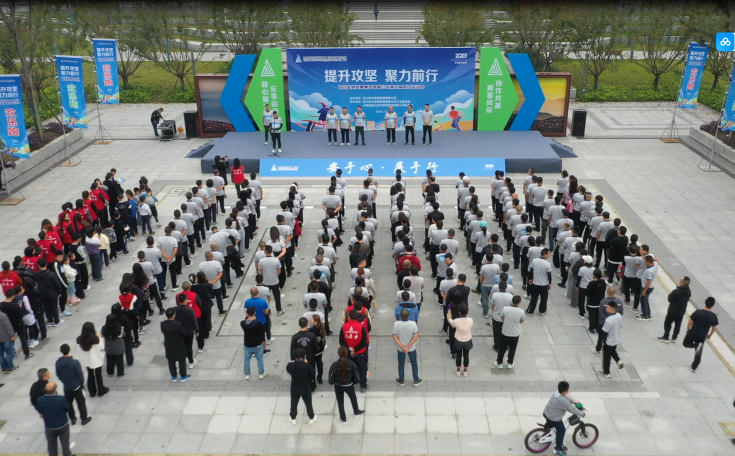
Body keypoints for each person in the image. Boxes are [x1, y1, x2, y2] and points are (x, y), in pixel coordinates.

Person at [542, 381, 585, 456]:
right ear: (565, 391)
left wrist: (573, 401)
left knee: (549, 424)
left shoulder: (557, 393)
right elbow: (571, 409)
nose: (569, 390)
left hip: (547, 413)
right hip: (554, 418)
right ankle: (558, 449)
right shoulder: (562, 401)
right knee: (561, 431)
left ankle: (546, 433)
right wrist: (582, 413)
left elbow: (565, 398)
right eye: (568, 389)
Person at [55, 344, 91, 425]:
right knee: (81, 403)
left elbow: (58, 374)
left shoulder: (58, 363)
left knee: (69, 403)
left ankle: (73, 419)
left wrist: (64, 381)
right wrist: (81, 383)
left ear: (60, 351)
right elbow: (80, 375)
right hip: (76, 386)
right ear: (70, 350)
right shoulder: (75, 362)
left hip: (67, 387)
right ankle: (84, 418)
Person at [37, 382, 76, 456]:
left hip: (49, 426)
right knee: (65, 443)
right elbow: (67, 409)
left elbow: (40, 410)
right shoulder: (61, 399)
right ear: (55, 390)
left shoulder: (40, 400)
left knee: (52, 446)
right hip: (62, 425)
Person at [328, 346, 365, 423]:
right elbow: (357, 376)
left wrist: (333, 382)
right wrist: (354, 382)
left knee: (340, 402)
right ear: (347, 353)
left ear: (338, 354)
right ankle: (356, 412)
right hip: (349, 385)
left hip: (338, 386)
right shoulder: (351, 364)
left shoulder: (334, 365)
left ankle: (343, 418)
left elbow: (331, 377)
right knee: (353, 399)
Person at [684, 297, 718, 373]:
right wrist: (710, 335)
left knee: (685, 343)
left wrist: (688, 328)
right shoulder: (713, 316)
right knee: (698, 353)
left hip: (692, 333)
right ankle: (694, 367)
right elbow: (714, 327)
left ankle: (695, 345)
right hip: (702, 336)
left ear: (705, 302)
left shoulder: (698, 312)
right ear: (713, 305)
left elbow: (690, 321)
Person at [74, 322, 108, 397]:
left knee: (90, 374)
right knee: (98, 375)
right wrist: (99, 337)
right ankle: (101, 390)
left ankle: (92, 392)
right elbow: (102, 347)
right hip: (96, 359)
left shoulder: (79, 339)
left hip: (87, 360)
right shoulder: (95, 339)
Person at [339, 309, 369, 392]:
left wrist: (349, 351)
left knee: (348, 369)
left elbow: (341, 341)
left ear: (349, 317)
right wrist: (355, 350)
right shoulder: (361, 327)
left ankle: (349, 384)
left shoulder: (344, 327)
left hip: (348, 353)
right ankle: (363, 386)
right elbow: (364, 342)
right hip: (360, 353)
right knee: (362, 369)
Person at [286, 348, 317, 425]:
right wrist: (307, 363)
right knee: (308, 403)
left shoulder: (290, 365)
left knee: (294, 403)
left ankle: (293, 418)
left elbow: (288, 370)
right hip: (305, 387)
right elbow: (312, 373)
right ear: (302, 357)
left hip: (295, 387)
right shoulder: (306, 365)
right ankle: (311, 417)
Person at [393, 308, 421, 387]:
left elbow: (395, 337)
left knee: (401, 364)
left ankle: (401, 380)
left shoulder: (396, 324)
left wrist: (403, 347)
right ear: (409, 315)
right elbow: (415, 337)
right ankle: (416, 380)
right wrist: (407, 347)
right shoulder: (413, 324)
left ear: (400, 315)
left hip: (400, 348)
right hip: (411, 348)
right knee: (414, 363)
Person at [658, 276, 691, 343]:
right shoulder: (688, 292)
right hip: (681, 311)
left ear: (682, 283)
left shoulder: (676, 291)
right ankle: (674, 338)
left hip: (673, 311)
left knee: (667, 323)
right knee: (678, 325)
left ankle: (666, 337)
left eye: (680, 280)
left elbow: (669, 299)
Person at [161, 307, 190, 382]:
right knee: (181, 360)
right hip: (179, 345)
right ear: (174, 315)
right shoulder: (178, 325)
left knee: (171, 361)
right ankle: (183, 376)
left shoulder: (163, 324)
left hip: (169, 345)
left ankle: (174, 376)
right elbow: (184, 333)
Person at [495, 295, 525, 368]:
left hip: (505, 332)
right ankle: (510, 363)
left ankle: (499, 363)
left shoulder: (505, 309)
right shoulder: (521, 311)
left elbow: (502, 318)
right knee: (512, 349)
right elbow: (521, 321)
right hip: (515, 334)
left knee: (502, 348)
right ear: (519, 302)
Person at [290, 317, 318, 391]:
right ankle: (312, 387)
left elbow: (292, 350)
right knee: (311, 373)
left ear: (299, 325)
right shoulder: (312, 335)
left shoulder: (295, 337)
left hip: (299, 360)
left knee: (300, 374)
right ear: (307, 324)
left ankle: (302, 386)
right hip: (310, 359)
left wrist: (293, 360)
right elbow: (316, 348)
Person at [598, 301, 624, 378]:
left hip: (609, 341)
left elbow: (605, 332)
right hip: (616, 339)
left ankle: (606, 373)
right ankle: (618, 361)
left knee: (606, 357)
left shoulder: (608, 320)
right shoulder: (619, 315)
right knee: (612, 351)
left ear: (613, 309)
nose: (606, 308)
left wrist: (603, 341)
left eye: (608, 307)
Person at [241, 305, 267, 380]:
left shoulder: (242, 323)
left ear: (246, 313)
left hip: (247, 344)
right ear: (255, 313)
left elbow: (245, 321)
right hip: (257, 344)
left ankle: (247, 374)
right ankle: (261, 373)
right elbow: (261, 333)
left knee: (247, 359)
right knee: (260, 359)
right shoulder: (258, 324)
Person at [447, 304, 473, 377]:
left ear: (459, 312)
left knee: (458, 356)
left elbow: (451, 323)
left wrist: (449, 316)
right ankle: (465, 372)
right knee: (466, 356)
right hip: (467, 340)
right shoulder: (470, 320)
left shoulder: (456, 321)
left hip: (458, 340)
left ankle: (458, 371)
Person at [0, 305, 17, 373]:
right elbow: (8, 326)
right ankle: (10, 367)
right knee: (9, 353)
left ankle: (4, 368)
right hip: (6, 337)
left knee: (1, 354)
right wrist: (12, 335)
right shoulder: (3, 315)